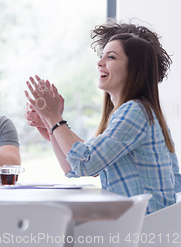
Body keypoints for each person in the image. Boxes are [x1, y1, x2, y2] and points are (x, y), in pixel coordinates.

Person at [25, 32, 177, 214]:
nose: (99, 63)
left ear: (134, 68)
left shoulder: (135, 111)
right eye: (102, 56)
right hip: (140, 225)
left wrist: (54, 118)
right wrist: (52, 125)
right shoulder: (133, 111)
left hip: (143, 230)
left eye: (111, 57)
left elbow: (86, 163)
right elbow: (74, 166)